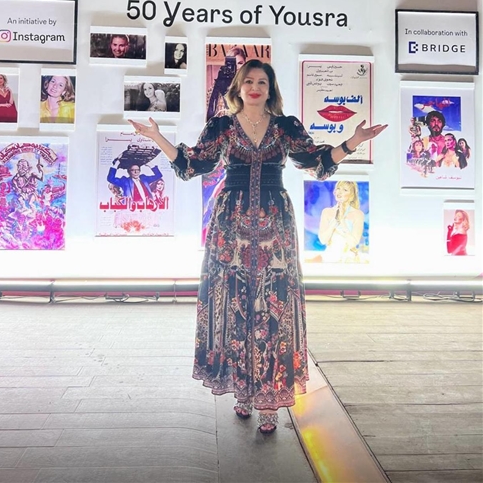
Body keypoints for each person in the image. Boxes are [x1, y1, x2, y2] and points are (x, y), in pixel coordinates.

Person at [128, 59, 387, 434]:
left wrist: (353, 141)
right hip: (230, 226)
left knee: (272, 308)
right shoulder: (221, 126)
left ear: (270, 89)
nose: (254, 87)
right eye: (248, 81)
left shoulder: (285, 127)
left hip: (274, 225)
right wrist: (157, 137)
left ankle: (269, 397)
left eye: (262, 82)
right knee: (236, 306)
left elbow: (316, 162)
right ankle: (243, 391)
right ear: (238, 87)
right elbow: (192, 165)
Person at [318, 181, 365, 263]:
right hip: (329, 258)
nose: (340, 192)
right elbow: (323, 240)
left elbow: (353, 243)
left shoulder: (358, 214)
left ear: (351, 195)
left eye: (345, 190)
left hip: (349, 259)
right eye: (338, 188)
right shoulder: (326, 212)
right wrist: (335, 221)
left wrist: (342, 222)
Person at [206, 46, 247, 120]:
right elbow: (209, 115)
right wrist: (220, 84)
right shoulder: (217, 86)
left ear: (245, 64)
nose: (236, 67)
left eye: (240, 63)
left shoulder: (249, 85)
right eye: (233, 64)